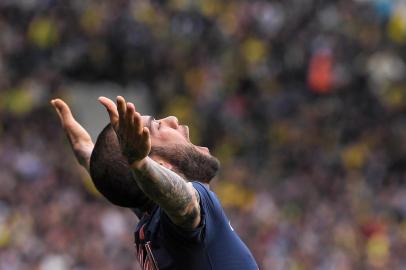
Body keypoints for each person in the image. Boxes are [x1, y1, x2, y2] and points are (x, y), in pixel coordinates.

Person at [51, 96, 259, 270]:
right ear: (159, 164)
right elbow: (182, 202)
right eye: (157, 126)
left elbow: (122, 182)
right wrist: (139, 163)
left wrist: (86, 152)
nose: (173, 119)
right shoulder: (188, 217)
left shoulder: (152, 223)